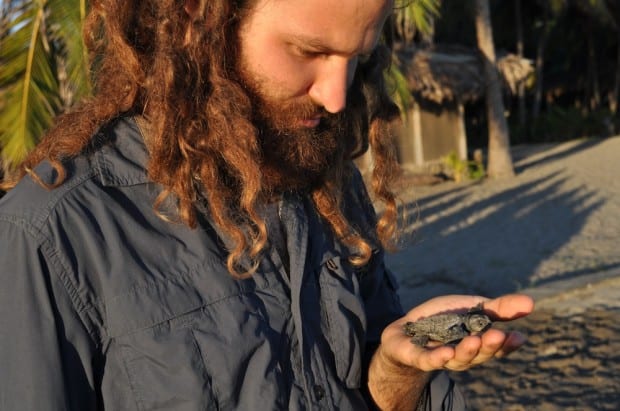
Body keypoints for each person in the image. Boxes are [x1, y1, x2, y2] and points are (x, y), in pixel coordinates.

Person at [0, 0, 534, 409]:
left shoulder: (328, 183)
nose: (336, 96)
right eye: (309, 52)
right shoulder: (54, 232)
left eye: (357, 58)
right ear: (198, 17)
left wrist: (399, 371)